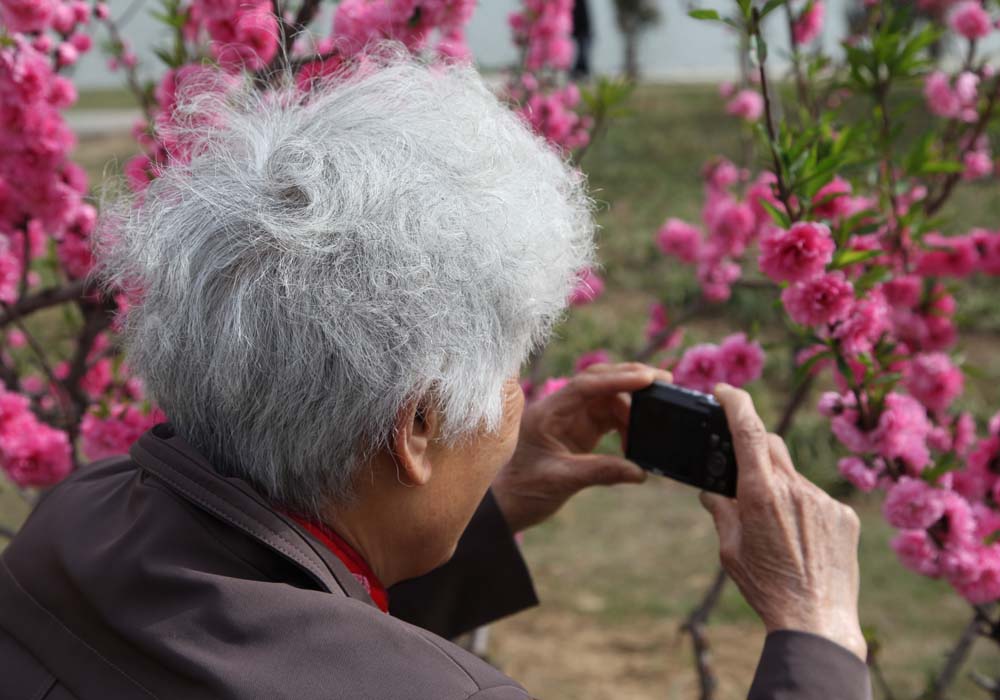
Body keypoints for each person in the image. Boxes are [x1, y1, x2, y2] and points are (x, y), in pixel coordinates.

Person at [0, 57, 871, 700]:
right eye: (513, 367)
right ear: (416, 429)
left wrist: (483, 504)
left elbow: (291, 634)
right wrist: (818, 632)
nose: (518, 399)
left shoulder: (73, 521)